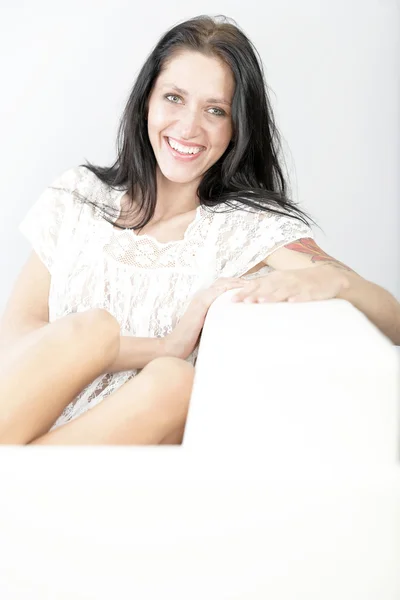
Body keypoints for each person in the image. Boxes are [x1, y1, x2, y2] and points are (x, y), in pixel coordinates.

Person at [0, 15, 398, 445]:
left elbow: (392, 320)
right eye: (174, 98)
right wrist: (158, 347)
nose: (189, 128)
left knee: (174, 382)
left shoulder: (248, 229)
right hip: (18, 418)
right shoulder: (79, 195)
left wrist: (334, 278)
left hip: (109, 458)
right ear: (146, 102)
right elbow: (17, 335)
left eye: (215, 110)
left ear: (236, 128)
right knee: (94, 329)